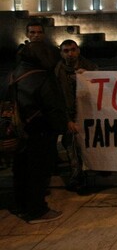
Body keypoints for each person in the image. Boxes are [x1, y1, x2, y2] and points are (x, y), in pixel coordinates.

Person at [9, 41, 68, 223]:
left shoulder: (15, 74)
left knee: (21, 171)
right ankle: (37, 210)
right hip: (40, 132)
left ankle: (21, 206)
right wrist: (61, 127)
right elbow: (53, 107)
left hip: (19, 132)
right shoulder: (43, 77)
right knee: (39, 173)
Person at [55, 39, 98, 193]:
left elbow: (102, 88)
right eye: (66, 51)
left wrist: (89, 78)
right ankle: (77, 180)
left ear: (78, 50)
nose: (70, 54)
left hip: (89, 115)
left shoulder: (90, 67)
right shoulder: (57, 72)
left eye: (72, 50)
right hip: (70, 116)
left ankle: (90, 175)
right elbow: (57, 98)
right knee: (73, 149)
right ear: (61, 53)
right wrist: (67, 120)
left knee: (89, 148)